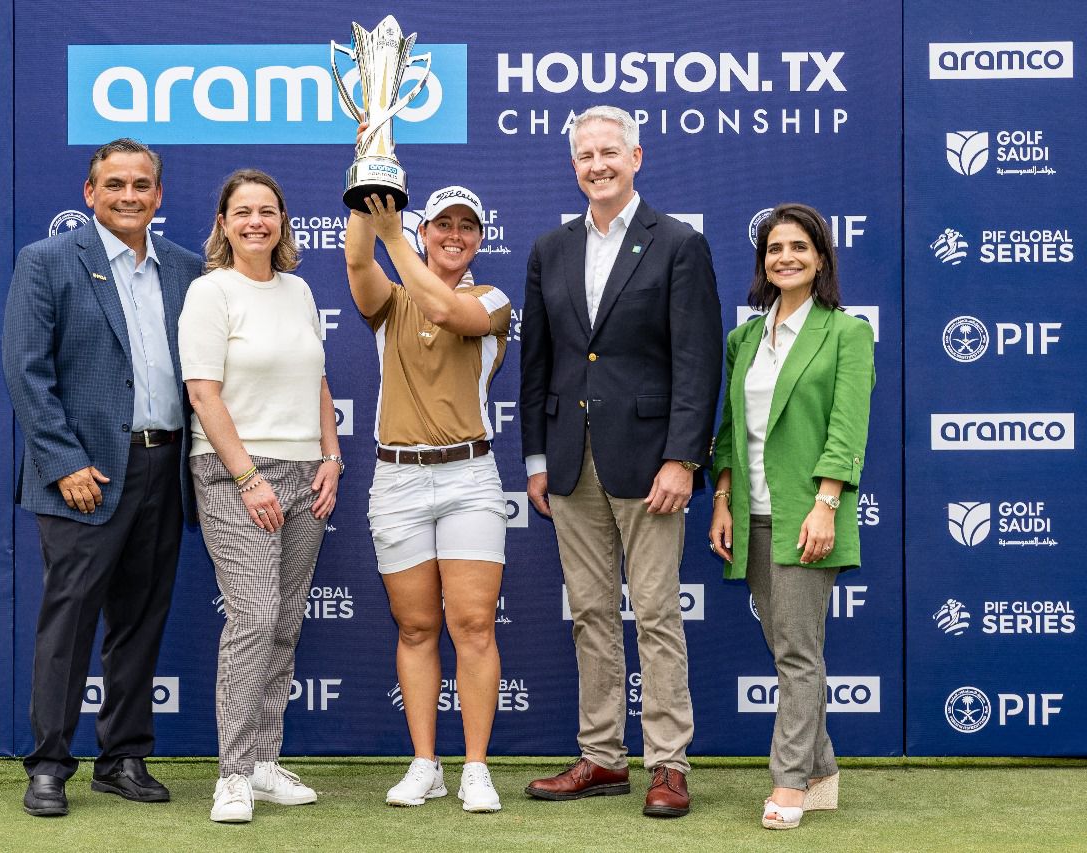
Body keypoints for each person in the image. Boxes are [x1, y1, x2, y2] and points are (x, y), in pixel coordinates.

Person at [520, 106, 722, 818]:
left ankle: (669, 763)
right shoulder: (550, 248)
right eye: (586, 155)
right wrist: (537, 456)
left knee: (658, 613)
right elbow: (538, 362)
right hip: (569, 463)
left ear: (636, 157)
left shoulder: (678, 243)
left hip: (650, 462)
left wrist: (683, 458)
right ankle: (602, 755)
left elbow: (697, 361)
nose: (597, 164)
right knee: (591, 614)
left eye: (610, 151)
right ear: (573, 165)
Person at [2, 138, 203, 817]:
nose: (128, 195)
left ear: (159, 195)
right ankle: (49, 764)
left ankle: (123, 757)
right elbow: (27, 371)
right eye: (114, 184)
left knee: (141, 620)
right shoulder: (47, 261)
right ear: (89, 193)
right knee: (70, 621)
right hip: (82, 474)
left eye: (141, 185)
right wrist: (62, 462)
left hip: (163, 465)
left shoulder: (187, 269)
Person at [179, 169, 342, 824]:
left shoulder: (298, 290)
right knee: (253, 615)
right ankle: (233, 774)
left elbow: (318, 381)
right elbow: (202, 393)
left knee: (284, 621)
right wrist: (247, 477)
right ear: (224, 223)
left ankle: (265, 762)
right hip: (233, 472)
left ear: (282, 222)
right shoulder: (210, 292)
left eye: (267, 211)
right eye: (242, 211)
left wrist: (331, 457)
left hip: (306, 473)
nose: (256, 222)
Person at [708, 202, 874, 830]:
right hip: (751, 513)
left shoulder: (847, 333)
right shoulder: (744, 339)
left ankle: (789, 782)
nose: (786, 258)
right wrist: (722, 498)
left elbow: (846, 428)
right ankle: (822, 769)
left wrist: (826, 506)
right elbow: (730, 430)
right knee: (786, 648)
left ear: (822, 259)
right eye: (775, 248)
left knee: (799, 655)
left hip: (807, 515)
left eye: (800, 247)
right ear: (763, 262)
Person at [344, 184, 510, 813]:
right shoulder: (391, 301)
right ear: (425, 231)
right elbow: (358, 261)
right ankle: (425, 764)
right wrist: (366, 186)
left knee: (473, 626)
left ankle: (476, 767)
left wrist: (394, 236)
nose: (454, 235)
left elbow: (445, 311)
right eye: (443, 223)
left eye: (467, 226)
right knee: (415, 627)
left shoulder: (491, 299)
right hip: (398, 480)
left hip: (469, 478)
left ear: (480, 239)